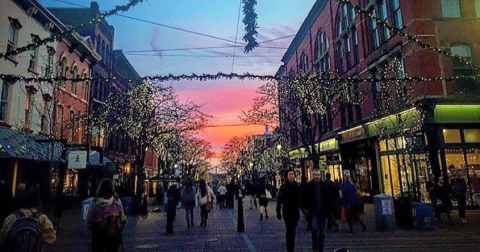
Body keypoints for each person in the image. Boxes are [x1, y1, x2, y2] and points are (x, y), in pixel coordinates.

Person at [87, 178, 126, 252]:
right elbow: (123, 217)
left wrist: (93, 230)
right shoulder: (117, 201)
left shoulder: (95, 202)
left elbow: (89, 221)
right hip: (114, 236)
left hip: (98, 236)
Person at [304, 169, 330, 252]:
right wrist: (307, 209)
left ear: (320, 175)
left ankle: (321, 247)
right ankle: (315, 247)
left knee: (322, 230)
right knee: (314, 229)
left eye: (318, 175)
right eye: (315, 175)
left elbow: (327, 198)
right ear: (313, 176)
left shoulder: (324, 185)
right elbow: (306, 198)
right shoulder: (309, 185)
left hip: (322, 210)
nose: (317, 176)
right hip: (314, 211)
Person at [276, 169, 302, 252]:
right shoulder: (284, 187)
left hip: (295, 211)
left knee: (293, 230)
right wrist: (278, 211)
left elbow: (300, 199)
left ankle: (292, 247)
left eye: (292, 174)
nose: (291, 175)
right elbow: (279, 199)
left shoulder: (296, 186)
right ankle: (289, 248)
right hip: (287, 211)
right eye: (290, 174)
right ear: (287, 176)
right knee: (289, 229)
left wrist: (304, 209)